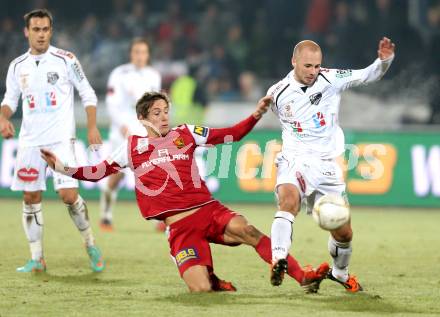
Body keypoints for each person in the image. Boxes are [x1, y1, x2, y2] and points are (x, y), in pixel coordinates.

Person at [41, 91, 330, 293]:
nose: (164, 117)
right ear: (142, 117)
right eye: (157, 113)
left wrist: (255, 114)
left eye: (166, 111)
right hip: (180, 228)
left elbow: (230, 134)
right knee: (200, 289)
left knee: (249, 231)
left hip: (209, 210)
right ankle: (212, 279)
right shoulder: (130, 147)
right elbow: (98, 171)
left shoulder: (185, 133)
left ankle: (302, 276)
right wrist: (64, 168)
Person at [268, 37, 395, 292]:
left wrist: (384, 61)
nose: (313, 72)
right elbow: (267, 111)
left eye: (316, 66)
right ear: (294, 62)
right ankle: (279, 258)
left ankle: (340, 272)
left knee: (344, 233)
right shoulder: (277, 93)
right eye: (307, 66)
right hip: (295, 158)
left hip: (327, 166)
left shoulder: (332, 78)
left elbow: (368, 75)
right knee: (288, 201)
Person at [0, 9, 105, 273]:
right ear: (27, 32)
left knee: (69, 196)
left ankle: (90, 244)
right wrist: (3, 118)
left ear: (51, 31)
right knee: (30, 196)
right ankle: (37, 258)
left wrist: (92, 126)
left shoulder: (66, 60)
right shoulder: (17, 66)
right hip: (30, 142)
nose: (41, 34)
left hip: (60, 140)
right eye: (36, 29)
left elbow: (88, 94)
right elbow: (10, 101)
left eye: (45, 29)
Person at [100, 37, 161, 232]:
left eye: (143, 52)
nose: (140, 56)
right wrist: (121, 125)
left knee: (152, 174)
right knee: (116, 175)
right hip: (122, 132)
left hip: (144, 134)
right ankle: (106, 216)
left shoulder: (154, 75)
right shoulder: (119, 74)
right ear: (131, 54)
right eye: (136, 52)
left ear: (148, 54)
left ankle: (159, 218)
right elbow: (111, 103)